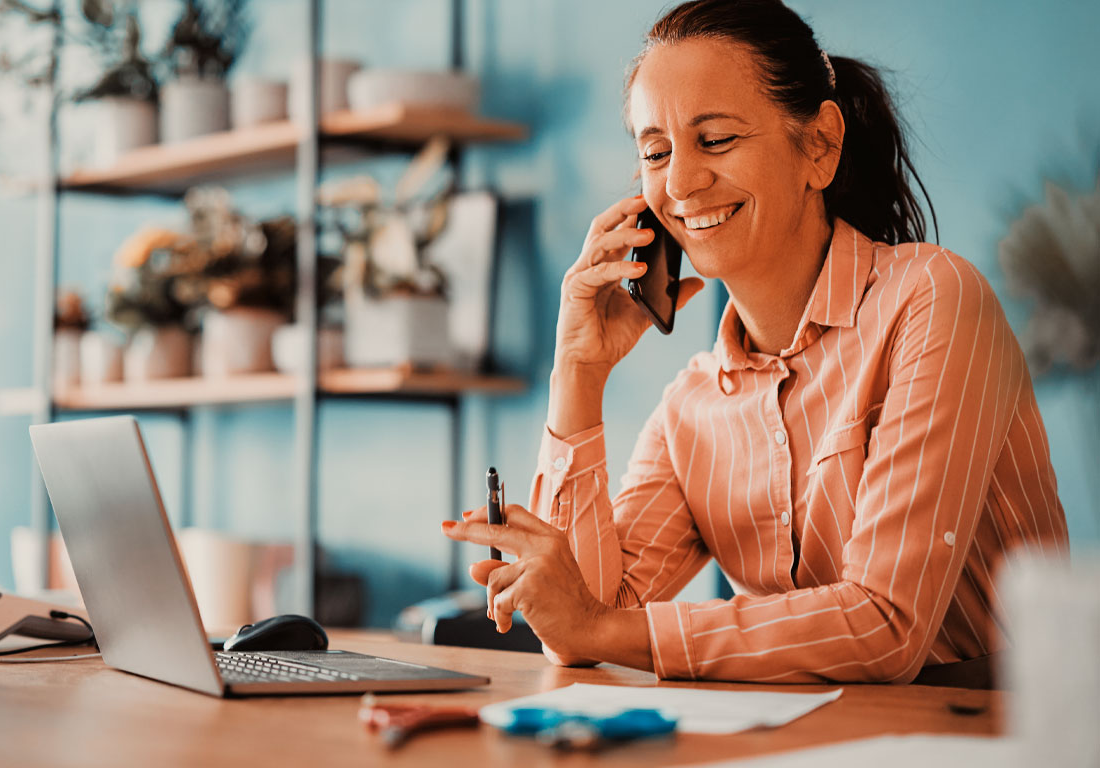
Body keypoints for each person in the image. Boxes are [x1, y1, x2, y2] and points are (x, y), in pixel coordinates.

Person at [441, 0, 1068, 685]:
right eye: (655, 151)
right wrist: (577, 373)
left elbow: (887, 623)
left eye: (715, 141)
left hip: (999, 731)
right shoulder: (692, 409)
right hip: (803, 736)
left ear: (819, 147)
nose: (679, 183)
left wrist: (598, 626)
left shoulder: (933, 300)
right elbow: (583, 627)